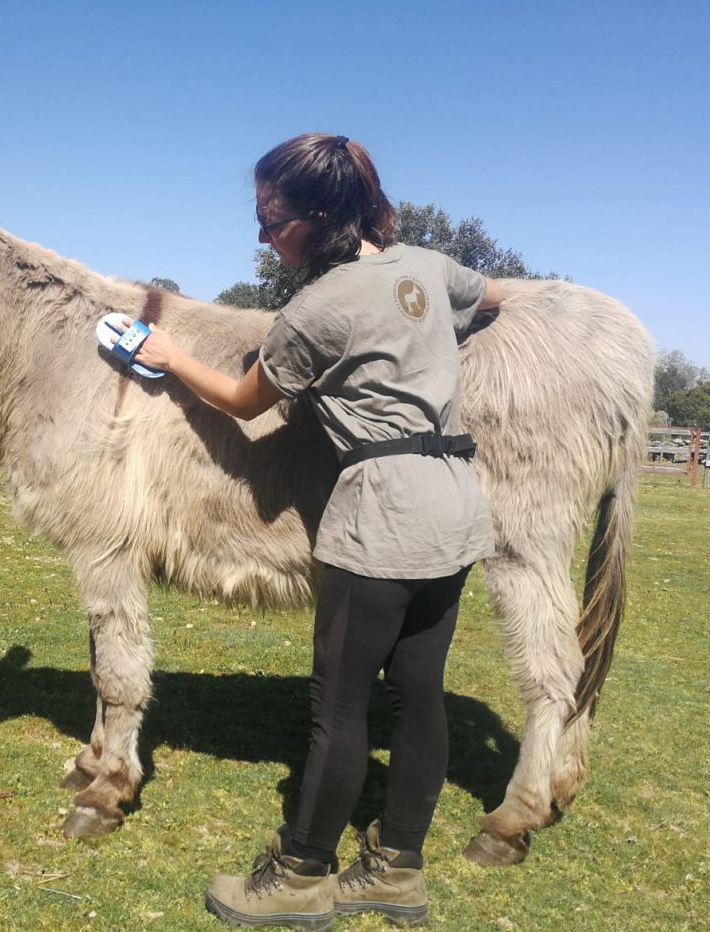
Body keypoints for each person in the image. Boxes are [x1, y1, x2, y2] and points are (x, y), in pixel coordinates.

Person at [120, 133, 503, 930]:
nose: (263, 237)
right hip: (454, 500)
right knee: (419, 697)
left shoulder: (314, 309)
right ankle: (396, 872)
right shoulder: (429, 268)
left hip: (382, 512)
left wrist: (166, 352)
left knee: (340, 706)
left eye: (272, 220)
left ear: (320, 215)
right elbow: (491, 299)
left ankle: (298, 878)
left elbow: (241, 399)